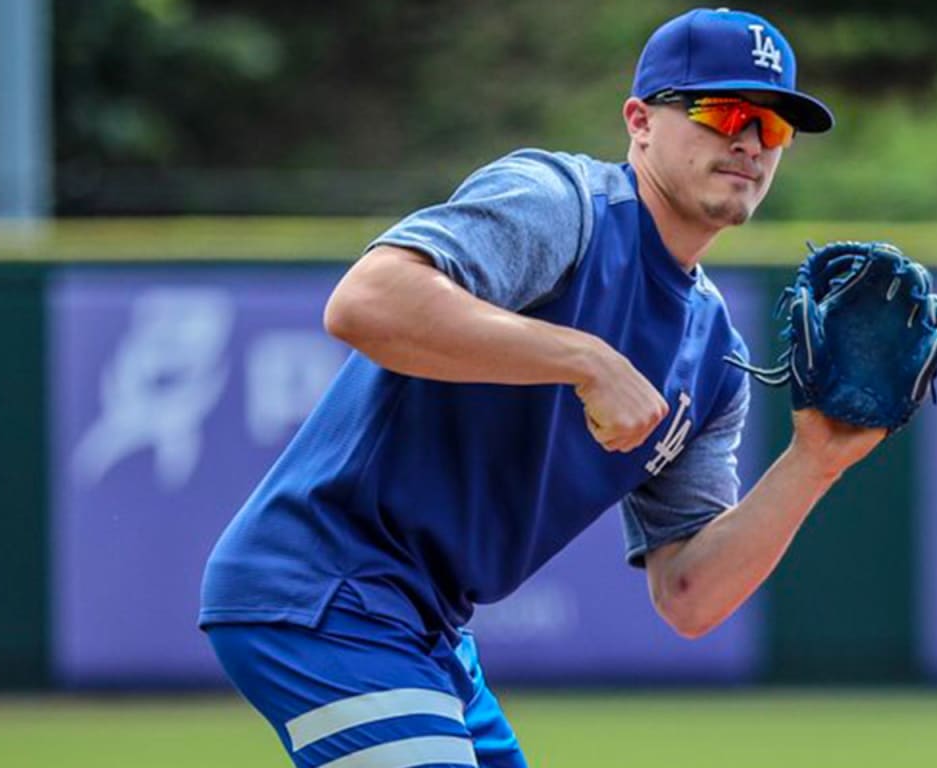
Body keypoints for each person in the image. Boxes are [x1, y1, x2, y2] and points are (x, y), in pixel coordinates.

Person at [200, 8, 885, 767]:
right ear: (640, 121)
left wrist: (815, 461)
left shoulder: (714, 355)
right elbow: (366, 301)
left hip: (427, 627)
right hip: (322, 585)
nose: (750, 141)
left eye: (773, 126)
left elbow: (690, 594)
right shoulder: (563, 203)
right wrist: (586, 359)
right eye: (723, 110)